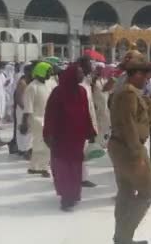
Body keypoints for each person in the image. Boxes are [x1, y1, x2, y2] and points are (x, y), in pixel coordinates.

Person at [108, 51, 151, 244]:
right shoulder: (128, 93)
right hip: (129, 149)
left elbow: (143, 117)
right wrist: (137, 153)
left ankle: (121, 237)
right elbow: (128, 124)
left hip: (122, 147)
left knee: (126, 191)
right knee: (148, 192)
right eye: (146, 75)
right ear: (136, 74)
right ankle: (124, 236)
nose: (148, 79)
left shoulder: (129, 92)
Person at [43, 64, 95, 211]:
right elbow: (50, 115)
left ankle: (73, 194)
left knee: (75, 167)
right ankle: (66, 197)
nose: (82, 75)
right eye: (78, 73)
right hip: (61, 137)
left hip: (77, 137)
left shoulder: (82, 91)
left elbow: (86, 113)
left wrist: (90, 131)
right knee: (63, 167)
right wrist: (48, 134)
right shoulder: (58, 92)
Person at [21, 62, 55, 178]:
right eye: (48, 71)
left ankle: (35, 167)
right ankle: (42, 168)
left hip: (48, 119)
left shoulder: (49, 84)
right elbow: (27, 108)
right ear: (41, 71)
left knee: (41, 145)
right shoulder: (32, 87)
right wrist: (24, 123)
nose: (50, 74)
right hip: (36, 120)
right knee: (42, 145)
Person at [77, 55, 99, 188]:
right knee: (79, 152)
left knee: (82, 152)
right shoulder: (79, 84)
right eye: (89, 64)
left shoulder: (86, 82)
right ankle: (80, 178)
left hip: (88, 122)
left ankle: (81, 177)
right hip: (80, 124)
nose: (92, 67)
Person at [14, 64, 33, 159]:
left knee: (29, 130)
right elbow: (18, 98)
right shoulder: (22, 82)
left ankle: (28, 150)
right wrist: (25, 109)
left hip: (28, 108)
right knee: (23, 129)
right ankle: (24, 150)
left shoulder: (30, 81)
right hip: (22, 109)